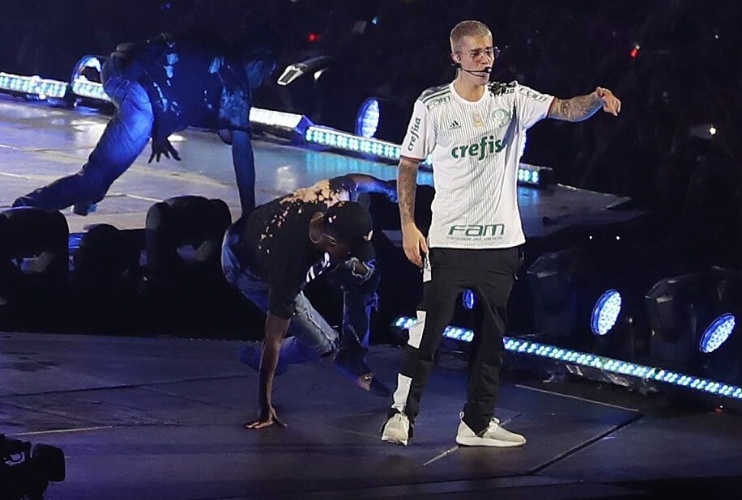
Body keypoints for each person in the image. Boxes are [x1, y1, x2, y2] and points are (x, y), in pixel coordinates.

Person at [381, 20, 621, 447]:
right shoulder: (433, 105)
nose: (485, 60)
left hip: (500, 243)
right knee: (427, 332)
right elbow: (408, 164)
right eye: (475, 53)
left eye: (490, 51)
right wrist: (407, 224)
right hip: (449, 241)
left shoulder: (511, 97)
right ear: (455, 57)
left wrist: (596, 99)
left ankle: (477, 423)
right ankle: (401, 414)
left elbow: (565, 108)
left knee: (491, 341)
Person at [12, 32, 276, 216]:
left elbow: (179, 89)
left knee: (101, 176)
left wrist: (160, 130)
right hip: (136, 86)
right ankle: (25, 209)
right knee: (96, 177)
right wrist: (249, 212)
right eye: (266, 74)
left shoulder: (216, 61)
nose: (263, 83)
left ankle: (83, 197)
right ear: (256, 63)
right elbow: (242, 152)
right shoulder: (236, 82)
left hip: (131, 81)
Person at [221, 173, 396, 430]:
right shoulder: (291, 265)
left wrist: (389, 189)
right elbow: (274, 337)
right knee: (321, 344)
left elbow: (355, 180)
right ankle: (307, 357)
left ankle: (353, 352)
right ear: (332, 242)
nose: (353, 256)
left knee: (366, 273)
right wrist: (264, 404)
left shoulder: (335, 197)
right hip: (245, 266)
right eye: (350, 251)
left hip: (264, 234)